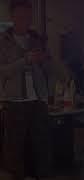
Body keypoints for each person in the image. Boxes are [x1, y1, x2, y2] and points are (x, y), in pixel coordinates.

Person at [0, 2, 67, 180]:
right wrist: (25, 60)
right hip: (14, 102)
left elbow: (51, 67)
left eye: (28, 17)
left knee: (42, 148)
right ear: (12, 17)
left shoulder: (36, 40)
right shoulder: (3, 41)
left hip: (38, 100)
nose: (25, 21)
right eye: (21, 17)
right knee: (15, 149)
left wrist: (47, 61)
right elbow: (3, 71)